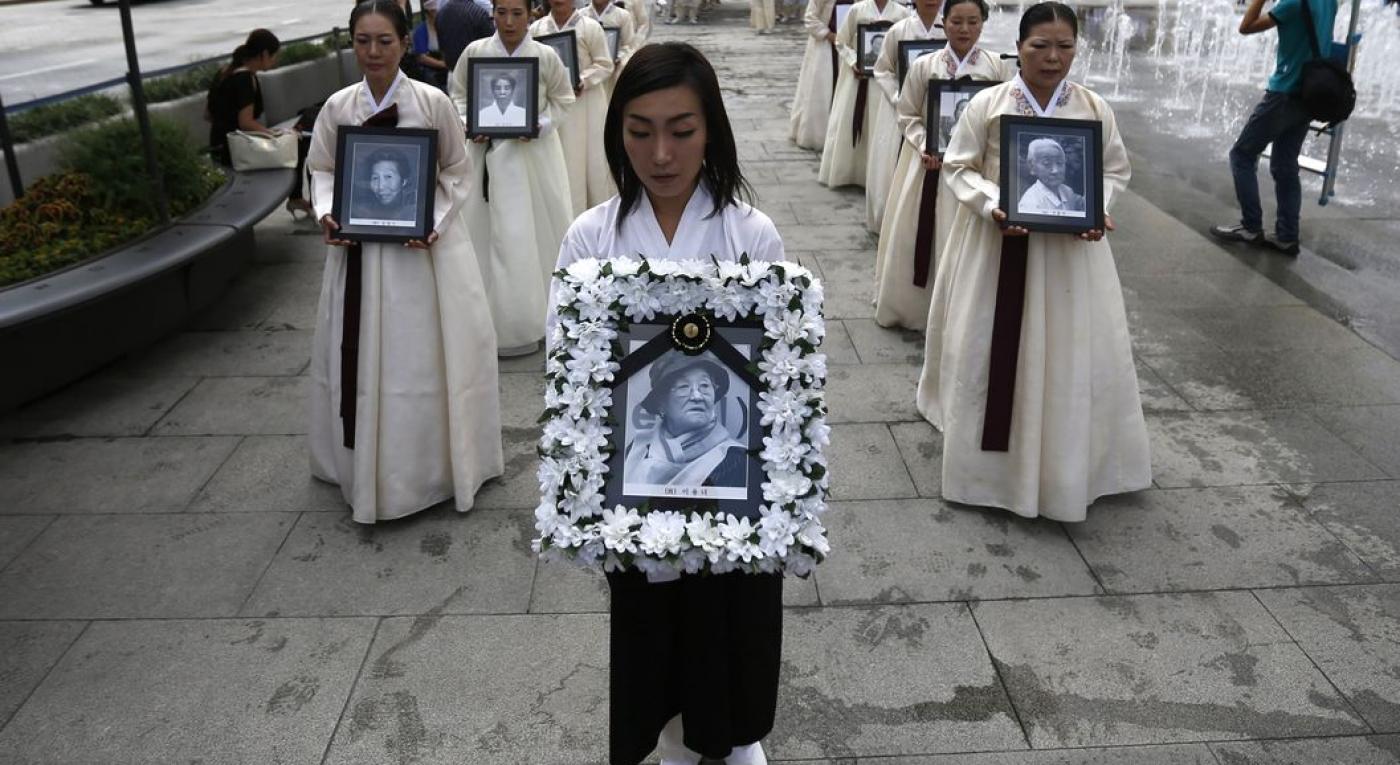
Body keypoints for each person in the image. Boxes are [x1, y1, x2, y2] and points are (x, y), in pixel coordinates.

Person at [551, 42, 785, 765]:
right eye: (639, 130)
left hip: (728, 491)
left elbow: (779, 375)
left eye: (681, 130)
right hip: (640, 490)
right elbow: (572, 374)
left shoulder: (751, 233)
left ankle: (734, 743)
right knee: (652, 635)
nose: (660, 153)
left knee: (727, 639)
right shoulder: (592, 236)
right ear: (615, 131)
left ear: (711, 127)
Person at [914, 1, 1150, 522]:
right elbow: (957, 167)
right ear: (1018, 48)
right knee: (990, 344)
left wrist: (1098, 208)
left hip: (1070, 253)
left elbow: (1113, 170)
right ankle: (989, 470)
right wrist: (990, 204)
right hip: (998, 243)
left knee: (1069, 349)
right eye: (1040, 46)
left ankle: (1066, 463)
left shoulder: (1091, 106)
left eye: (1065, 46)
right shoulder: (991, 103)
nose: (1053, 57)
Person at [307, 0, 504, 523]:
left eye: (384, 42)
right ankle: (360, 465)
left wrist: (431, 222)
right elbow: (322, 171)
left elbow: (457, 172)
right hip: (359, 255)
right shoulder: (338, 108)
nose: (373, 53)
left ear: (405, 43)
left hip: (422, 260)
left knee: (422, 357)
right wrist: (329, 214)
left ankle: (431, 468)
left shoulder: (433, 103)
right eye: (363, 42)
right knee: (364, 352)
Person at [873, 0, 1008, 330]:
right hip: (928, 167)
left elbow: (1002, 122)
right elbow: (907, 115)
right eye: (957, 21)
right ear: (944, 23)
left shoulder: (996, 67)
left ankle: (962, 314)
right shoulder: (925, 65)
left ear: (982, 24)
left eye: (973, 22)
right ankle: (917, 310)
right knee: (923, 232)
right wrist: (924, 145)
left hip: (975, 171)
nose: (964, 29)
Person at [450, 0, 575, 356]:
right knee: (485, 235)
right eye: (501, 12)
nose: (508, 21)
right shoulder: (475, 52)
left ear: (530, 14)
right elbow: (458, 94)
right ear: (492, 13)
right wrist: (467, 122)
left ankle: (532, 319)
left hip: (530, 159)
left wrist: (540, 125)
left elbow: (563, 100)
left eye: (516, 13)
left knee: (527, 236)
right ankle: (483, 321)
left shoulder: (545, 56)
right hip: (485, 157)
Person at [1209, 0, 1337, 255]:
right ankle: (1287, 236)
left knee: (1242, 155)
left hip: (1284, 92)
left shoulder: (1291, 3)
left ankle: (1251, 226)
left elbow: (1246, 27)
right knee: (1285, 165)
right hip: (1308, 94)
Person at [863, 0, 943, 232]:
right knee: (894, 161)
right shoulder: (898, 30)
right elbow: (883, 69)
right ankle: (891, 218)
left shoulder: (949, 28)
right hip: (899, 106)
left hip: (936, 110)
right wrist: (898, 96)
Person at [531, 0, 617, 215]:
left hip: (585, 104)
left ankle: (593, 217)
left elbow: (605, 64)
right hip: (551, 104)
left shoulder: (590, 27)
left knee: (589, 161)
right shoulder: (537, 28)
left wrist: (583, 80)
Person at [817, 0, 909, 189]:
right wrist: (854, 61)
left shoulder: (902, 13)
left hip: (887, 82)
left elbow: (906, 48)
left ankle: (877, 178)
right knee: (853, 121)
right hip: (858, 79)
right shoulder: (857, 9)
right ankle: (852, 173)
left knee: (880, 128)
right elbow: (841, 41)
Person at [623, 354, 748, 490]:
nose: (697, 396)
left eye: (704, 385)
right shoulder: (637, 451)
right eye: (683, 387)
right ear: (661, 403)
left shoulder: (736, 460)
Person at [787, 0, 840, 150]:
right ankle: (817, 135)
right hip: (824, 47)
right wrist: (828, 35)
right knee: (821, 91)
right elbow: (810, 18)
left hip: (847, 46)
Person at [579, 0, 638, 92]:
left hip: (613, 71)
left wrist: (618, 57)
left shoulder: (623, 15)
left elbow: (629, 45)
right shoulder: (581, 15)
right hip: (588, 71)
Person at [1017, 137, 1084, 214]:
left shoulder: (1067, 191)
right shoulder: (1030, 204)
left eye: (1060, 163)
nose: (1055, 170)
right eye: (1047, 163)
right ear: (1032, 167)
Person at [350, 147, 417, 221]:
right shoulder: (359, 213)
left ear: (403, 181)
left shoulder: (414, 214)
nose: (380, 187)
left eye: (388, 177)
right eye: (375, 178)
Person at [435, 0, 496, 72]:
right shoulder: (479, 13)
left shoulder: (440, 13)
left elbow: (442, 47)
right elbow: (492, 46)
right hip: (476, 72)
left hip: (452, 72)